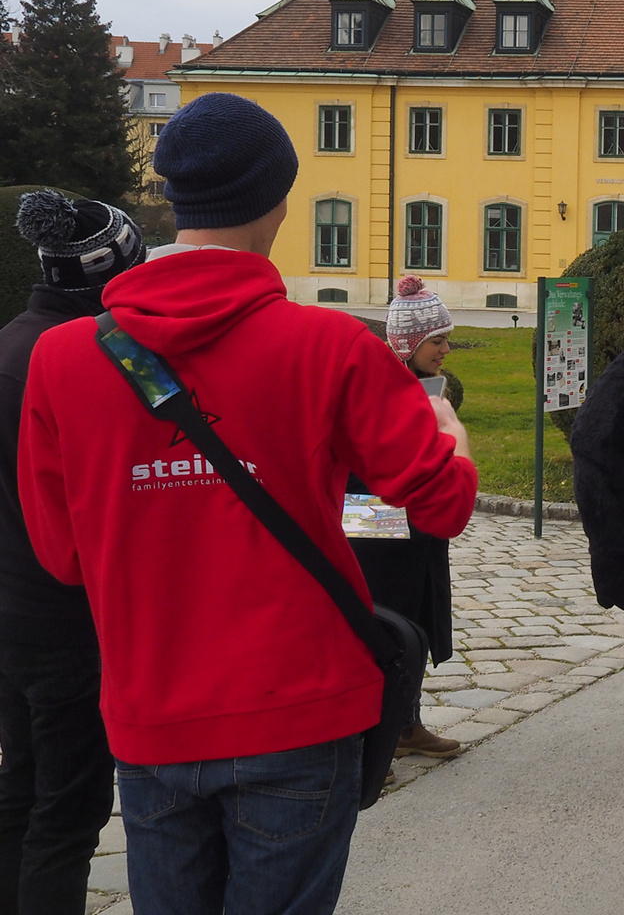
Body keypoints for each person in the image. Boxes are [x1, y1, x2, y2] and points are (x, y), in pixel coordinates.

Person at [17, 93, 478, 915]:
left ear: (172, 195)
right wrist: (449, 435)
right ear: (281, 198)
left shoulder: (62, 357)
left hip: (152, 713)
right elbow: (439, 506)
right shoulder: (334, 346)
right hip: (301, 708)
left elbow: (61, 556)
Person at [0, 191, 144, 915]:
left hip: (11, 612)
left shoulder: (8, 343)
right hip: (68, 618)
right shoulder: (84, 363)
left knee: (19, 790)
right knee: (69, 807)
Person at [348, 276, 462, 763]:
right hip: (375, 518)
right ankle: (373, 737)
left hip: (418, 520)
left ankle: (407, 724)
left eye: (445, 338)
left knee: (418, 615)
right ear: (408, 344)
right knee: (386, 622)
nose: (445, 349)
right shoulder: (377, 387)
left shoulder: (429, 389)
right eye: (437, 340)